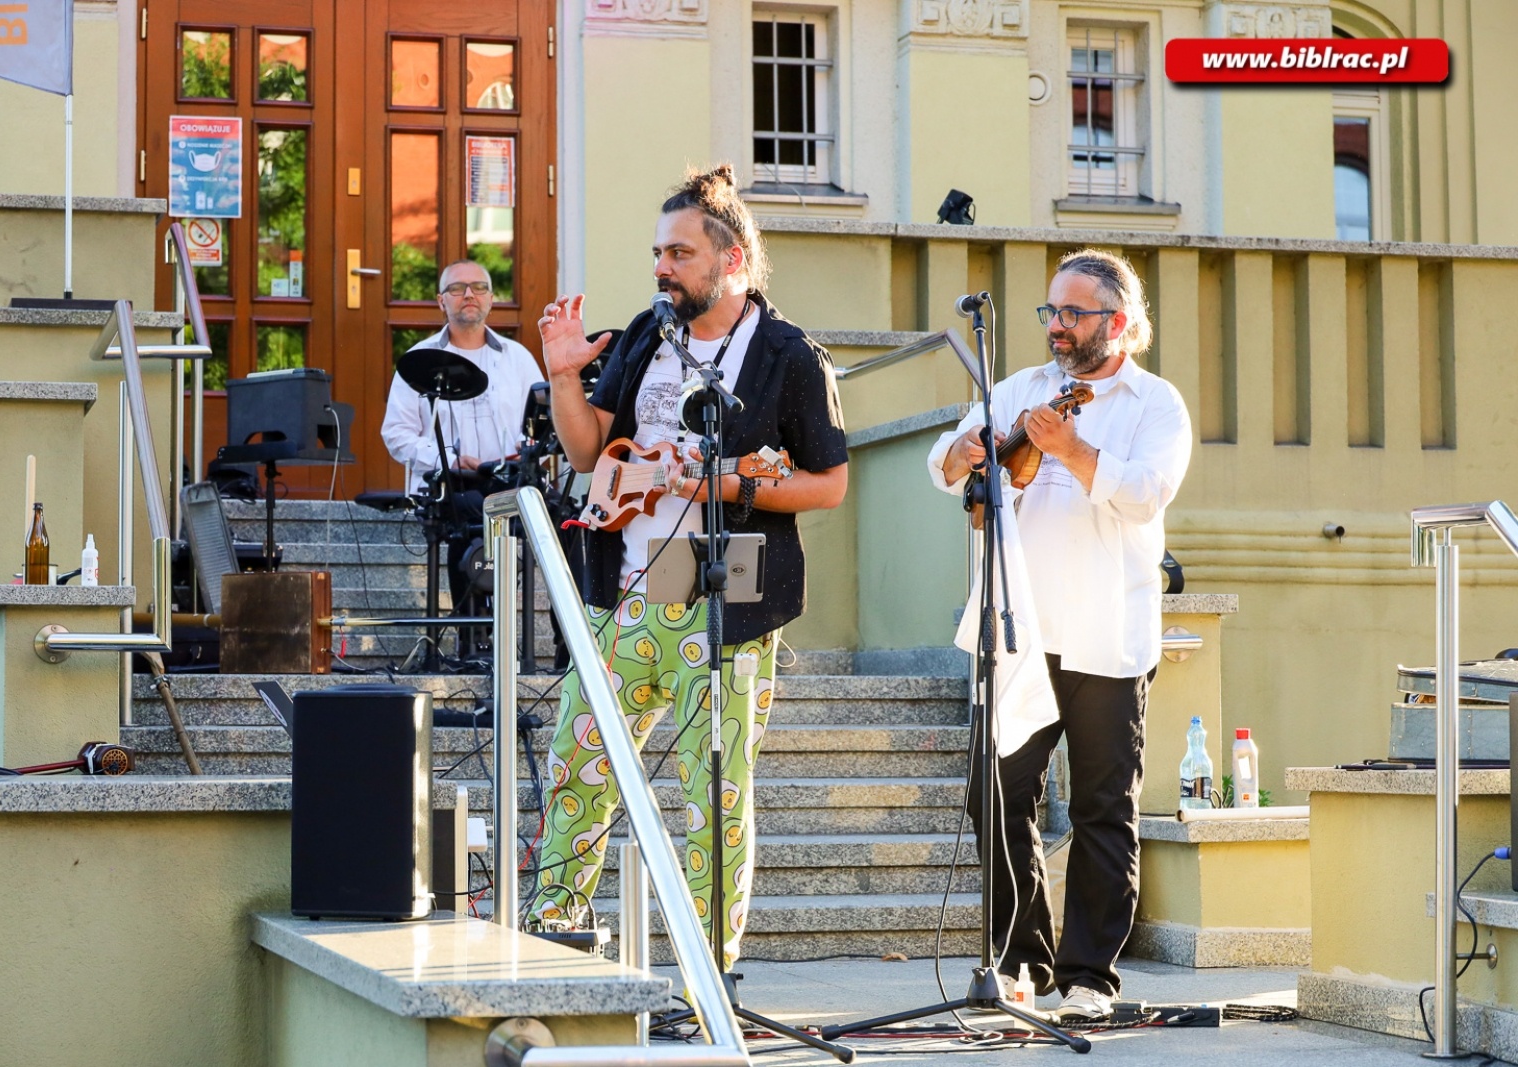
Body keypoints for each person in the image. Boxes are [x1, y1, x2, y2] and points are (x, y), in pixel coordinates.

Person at [527, 164, 849, 966]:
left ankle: (705, 975)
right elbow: (587, 450)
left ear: (731, 260)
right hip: (622, 588)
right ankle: (550, 938)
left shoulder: (788, 356)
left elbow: (830, 483)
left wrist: (726, 483)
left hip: (725, 599)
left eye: (679, 253)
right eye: (657, 253)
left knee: (714, 799)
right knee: (578, 770)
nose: (662, 268)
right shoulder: (647, 332)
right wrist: (563, 374)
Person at [928, 249, 1192, 1021]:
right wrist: (962, 451)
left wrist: (1073, 449)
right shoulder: (1019, 389)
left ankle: (1088, 978)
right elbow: (942, 463)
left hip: (1107, 631)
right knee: (996, 794)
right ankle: (1022, 961)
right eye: (1052, 311)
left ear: (1119, 322)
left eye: (1074, 313)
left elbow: (1144, 494)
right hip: (1021, 628)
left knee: (1103, 808)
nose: (1057, 326)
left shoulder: (1155, 404)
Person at [380, 259, 539, 490]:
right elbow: (396, 433)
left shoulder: (518, 357)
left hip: (511, 489)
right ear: (441, 301)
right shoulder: (419, 359)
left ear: (491, 299)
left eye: (479, 287)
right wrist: (447, 462)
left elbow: (544, 426)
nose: (469, 295)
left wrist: (525, 452)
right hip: (443, 491)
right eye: (457, 288)